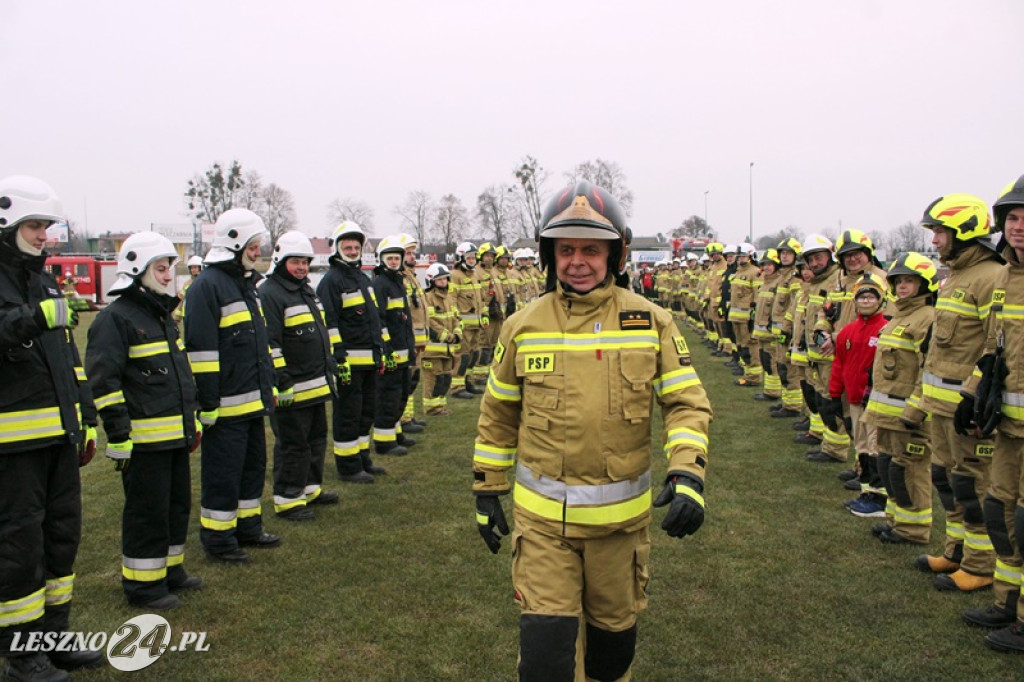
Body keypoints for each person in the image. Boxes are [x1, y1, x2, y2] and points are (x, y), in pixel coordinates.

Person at [473, 182, 712, 681]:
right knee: (545, 662)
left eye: (590, 250)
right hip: (543, 531)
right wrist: (486, 489)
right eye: (566, 250)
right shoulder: (522, 326)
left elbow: (686, 404)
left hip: (619, 535)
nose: (577, 262)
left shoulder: (652, 322)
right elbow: (498, 414)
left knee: (611, 660)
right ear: (550, 256)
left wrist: (689, 474)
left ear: (615, 255)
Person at [0, 175, 104, 678]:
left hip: (59, 437)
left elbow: (68, 360)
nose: (44, 236)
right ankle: (22, 657)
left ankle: (54, 637)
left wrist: (86, 418)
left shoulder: (41, 280)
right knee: (19, 548)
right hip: (12, 448)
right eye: (34, 226)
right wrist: (33, 318)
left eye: (46, 226)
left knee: (62, 539)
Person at [85, 231, 202, 610]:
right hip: (144, 442)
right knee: (147, 513)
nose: (168, 276)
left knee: (176, 506)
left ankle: (170, 571)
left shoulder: (161, 316)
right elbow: (103, 382)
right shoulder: (115, 319)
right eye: (161, 269)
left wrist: (192, 422)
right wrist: (119, 434)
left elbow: (179, 376)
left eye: (169, 269)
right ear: (137, 270)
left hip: (174, 437)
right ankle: (143, 587)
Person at [184, 208, 280, 563]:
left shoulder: (245, 285)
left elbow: (258, 345)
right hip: (225, 407)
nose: (257, 252)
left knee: (252, 469)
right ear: (235, 244)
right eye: (253, 246)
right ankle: (219, 539)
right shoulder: (207, 287)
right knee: (223, 475)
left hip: (251, 403)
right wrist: (208, 404)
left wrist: (268, 386)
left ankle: (248, 528)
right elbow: (202, 353)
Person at [959, 175, 1024, 647]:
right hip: (1009, 428)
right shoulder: (1003, 278)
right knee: (1000, 514)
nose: (1019, 227)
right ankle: (1007, 602)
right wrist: (971, 393)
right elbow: (991, 347)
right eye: (1013, 218)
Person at [260, 231, 340, 520]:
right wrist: (282, 381)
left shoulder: (305, 290)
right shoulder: (270, 293)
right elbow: (271, 343)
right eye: (295, 262)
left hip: (315, 384)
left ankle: (310, 488)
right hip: (292, 387)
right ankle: (288, 498)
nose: (302, 268)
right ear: (280, 261)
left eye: (305, 262)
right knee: (293, 444)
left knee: (316, 439)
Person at [862, 252, 938, 545]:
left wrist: (917, 408)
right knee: (889, 468)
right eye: (898, 281)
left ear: (925, 284)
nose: (902, 286)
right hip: (887, 414)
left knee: (909, 471)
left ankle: (914, 529)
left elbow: (929, 368)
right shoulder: (900, 316)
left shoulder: (927, 318)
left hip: (909, 416)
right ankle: (897, 522)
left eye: (909, 281)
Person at [316, 222, 388, 483]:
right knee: (348, 414)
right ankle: (347, 466)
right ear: (337, 249)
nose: (353, 251)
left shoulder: (362, 279)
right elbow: (329, 322)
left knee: (366, 412)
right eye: (347, 247)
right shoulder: (331, 281)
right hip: (348, 362)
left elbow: (373, 319)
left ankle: (362, 458)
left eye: (356, 247)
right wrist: (339, 357)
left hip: (369, 360)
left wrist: (380, 350)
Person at [823, 273, 889, 517]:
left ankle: (880, 499)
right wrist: (834, 394)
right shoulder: (848, 332)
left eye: (871, 297)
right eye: (862, 297)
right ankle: (867, 493)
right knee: (861, 446)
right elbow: (839, 364)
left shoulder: (886, 330)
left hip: (876, 401)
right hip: (854, 400)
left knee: (875, 447)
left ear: (881, 300)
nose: (866, 301)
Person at [372, 236, 416, 455]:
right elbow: (379, 320)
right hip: (392, 352)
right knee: (388, 397)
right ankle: (384, 441)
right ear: (382, 260)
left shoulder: (397, 282)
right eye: (389, 258)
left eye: (396, 258)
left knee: (400, 395)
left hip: (402, 350)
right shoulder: (381, 284)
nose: (393, 262)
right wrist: (386, 347)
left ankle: (396, 433)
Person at [421, 263, 461, 415]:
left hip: (448, 349)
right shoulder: (427, 298)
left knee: (445, 379)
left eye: (445, 278)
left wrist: (457, 332)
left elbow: (456, 317)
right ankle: (431, 408)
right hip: (433, 350)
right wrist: (446, 335)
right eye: (439, 279)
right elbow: (429, 321)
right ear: (431, 281)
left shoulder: (449, 298)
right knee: (433, 380)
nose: (443, 281)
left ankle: (440, 406)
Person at [398, 234, 427, 435]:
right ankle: (404, 418)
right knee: (406, 380)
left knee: (414, 379)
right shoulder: (401, 279)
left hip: (418, 339)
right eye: (407, 253)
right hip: (409, 339)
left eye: (412, 253)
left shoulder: (412, 277)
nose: (411, 256)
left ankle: (409, 415)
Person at [448, 241, 484, 398]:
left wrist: (484, 314)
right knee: (461, 356)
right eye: (468, 258)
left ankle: (468, 382)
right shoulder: (455, 276)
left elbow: (481, 299)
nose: (472, 260)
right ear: (461, 258)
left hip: (476, 325)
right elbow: (451, 300)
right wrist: (456, 322)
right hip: (464, 326)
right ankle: (457, 387)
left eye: (473, 257)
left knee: (474, 355)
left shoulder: (475, 275)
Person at [173, 255, 203, 323]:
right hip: (187, 315)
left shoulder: (204, 283)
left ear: (201, 268)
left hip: (200, 315)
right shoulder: (187, 283)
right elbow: (181, 300)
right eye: (191, 268)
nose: (193, 270)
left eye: (195, 267)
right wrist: (176, 317)